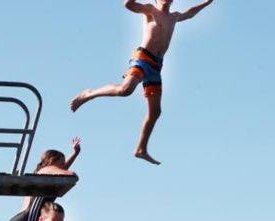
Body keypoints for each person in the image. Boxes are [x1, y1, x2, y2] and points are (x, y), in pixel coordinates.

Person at [70, 0, 214, 165]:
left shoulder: (174, 17)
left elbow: (190, 13)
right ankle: (89, 94)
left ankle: (141, 149)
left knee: (155, 112)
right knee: (125, 89)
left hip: (156, 66)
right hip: (142, 58)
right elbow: (128, 5)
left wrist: (207, 2)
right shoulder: (150, 10)